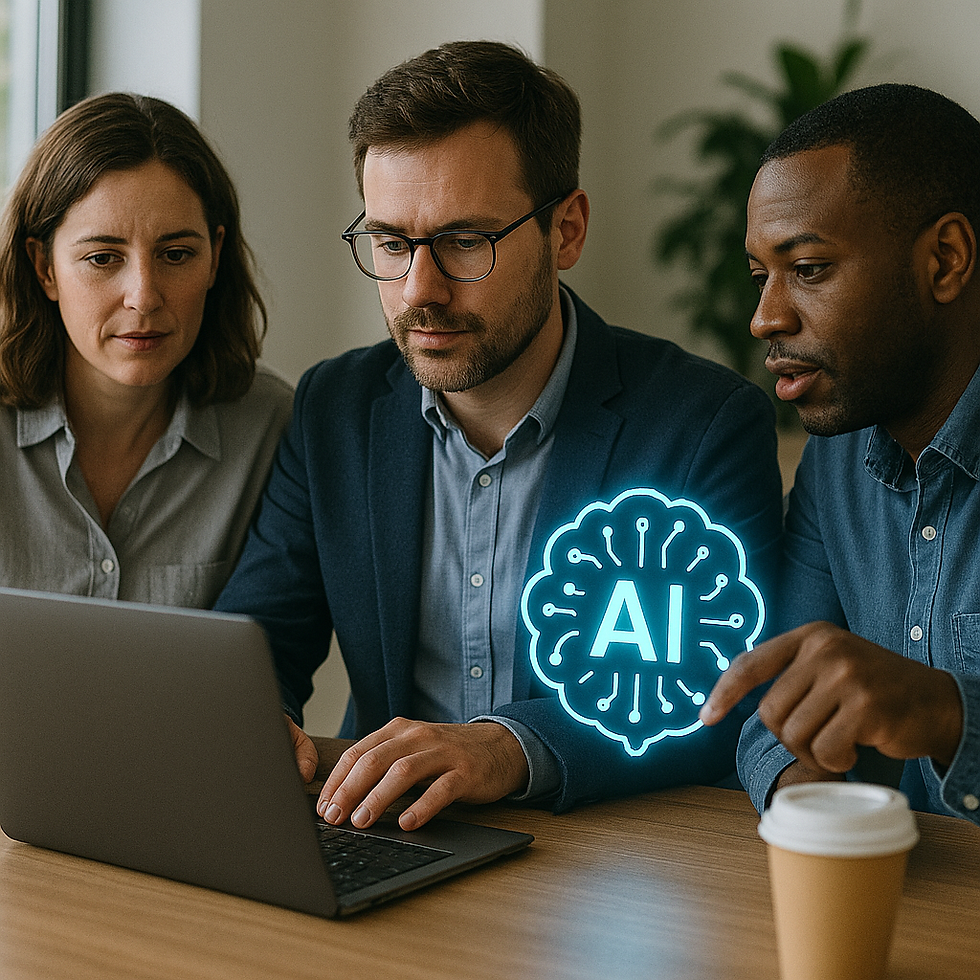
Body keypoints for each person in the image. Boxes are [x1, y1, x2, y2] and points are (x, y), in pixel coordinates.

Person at [216, 40, 783, 830]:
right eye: (391, 244)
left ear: (567, 231)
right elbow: (257, 639)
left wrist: (509, 746)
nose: (419, 290)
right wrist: (252, 718)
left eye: (465, 242)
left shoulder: (700, 426)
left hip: (608, 853)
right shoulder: (334, 408)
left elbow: (716, 692)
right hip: (385, 830)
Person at [700, 83, 980, 826]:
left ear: (945, 260)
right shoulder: (836, 463)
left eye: (809, 268)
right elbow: (773, 705)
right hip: (900, 888)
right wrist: (805, 798)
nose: (765, 318)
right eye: (760, 276)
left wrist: (946, 714)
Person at [0, 92, 292, 608]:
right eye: (103, 258)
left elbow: (277, 644)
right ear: (44, 268)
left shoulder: (271, 427)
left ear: (214, 257)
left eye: (175, 255)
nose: (144, 296)